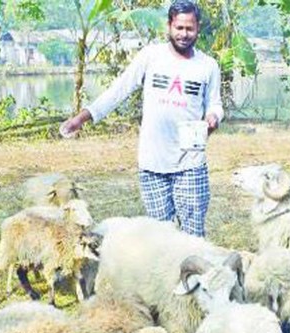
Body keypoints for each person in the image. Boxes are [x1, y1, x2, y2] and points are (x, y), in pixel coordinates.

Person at [60, 0, 223, 237]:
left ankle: (194, 275)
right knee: (160, 237)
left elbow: (215, 104)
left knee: (193, 236)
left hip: (190, 163)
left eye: (190, 28)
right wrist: (81, 118)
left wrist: (213, 117)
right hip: (152, 164)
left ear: (198, 28)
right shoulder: (150, 56)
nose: (184, 34)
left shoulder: (208, 66)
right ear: (169, 26)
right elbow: (118, 91)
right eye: (179, 28)